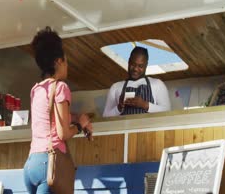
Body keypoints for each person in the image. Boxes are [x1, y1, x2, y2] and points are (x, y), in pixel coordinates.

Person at [24, 27, 93, 194]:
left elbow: (50, 117)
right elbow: (62, 134)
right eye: (66, 61)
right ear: (58, 61)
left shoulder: (37, 89)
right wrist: (80, 125)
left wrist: (76, 117)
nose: (67, 66)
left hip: (31, 164)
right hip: (49, 164)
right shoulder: (61, 87)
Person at [103, 46, 171, 117]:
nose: (135, 69)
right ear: (129, 61)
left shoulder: (157, 84)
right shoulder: (116, 87)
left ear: (146, 65)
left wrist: (144, 104)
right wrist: (119, 107)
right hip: (126, 128)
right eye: (133, 64)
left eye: (140, 66)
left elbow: (167, 111)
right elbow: (105, 117)